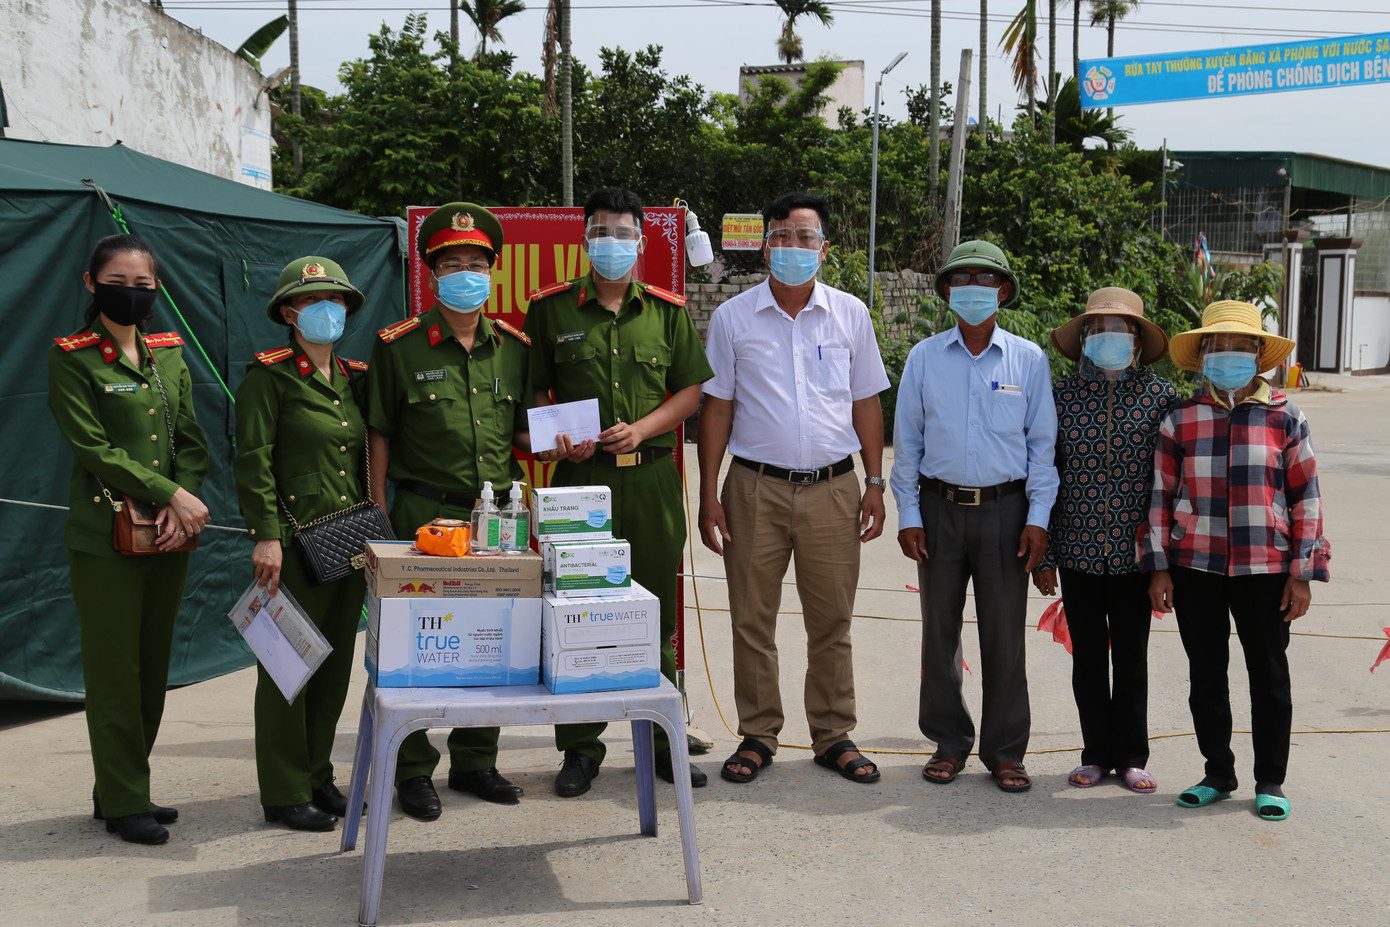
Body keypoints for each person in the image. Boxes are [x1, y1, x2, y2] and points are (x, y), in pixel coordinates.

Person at [525, 187, 714, 795]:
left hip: (653, 478)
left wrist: (643, 427)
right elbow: (533, 395)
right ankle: (580, 749)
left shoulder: (667, 310)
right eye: (601, 231)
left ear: (642, 240)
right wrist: (559, 442)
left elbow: (690, 392)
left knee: (654, 613)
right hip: (581, 481)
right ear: (585, 239)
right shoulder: (551, 311)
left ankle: (661, 740)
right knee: (577, 611)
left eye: (624, 233)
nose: (612, 243)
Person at [698, 191, 889, 786]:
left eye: (804, 238)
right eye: (780, 236)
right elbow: (717, 407)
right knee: (752, 618)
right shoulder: (733, 317)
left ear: (824, 249)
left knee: (831, 620)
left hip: (835, 488)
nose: (791, 247)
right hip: (753, 488)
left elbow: (866, 402)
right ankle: (758, 734)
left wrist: (875, 481)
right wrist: (709, 494)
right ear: (764, 245)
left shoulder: (851, 314)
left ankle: (833, 734)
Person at [366, 202, 533, 821]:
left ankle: (475, 761)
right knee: (419, 645)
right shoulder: (399, 347)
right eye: (452, 264)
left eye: (476, 264)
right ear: (432, 275)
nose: (465, 273)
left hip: (496, 523)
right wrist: (377, 514)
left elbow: (521, 434)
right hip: (420, 516)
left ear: (493, 271)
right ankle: (412, 769)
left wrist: (566, 438)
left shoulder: (514, 348)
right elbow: (378, 432)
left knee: (490, 642)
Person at [47, 234, 210, 844]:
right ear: (92, 283)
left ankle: (121, 784)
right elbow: (92, 448)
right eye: (119, 280)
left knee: (152, 667)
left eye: (144, 285)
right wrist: (168, 493)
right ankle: (124, 800)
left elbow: (190, 438)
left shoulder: (168, 352)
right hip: (105, 537)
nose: (133, 293)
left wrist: (182, 501)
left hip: (169, 535)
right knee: (115, 670)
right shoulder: (73, 357)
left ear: (157, 291)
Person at [1142, 300, 1330, 821]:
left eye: (1240, 347)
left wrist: (1303, 574)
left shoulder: (1285, 417)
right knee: (1206, 673)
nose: (1228, 356)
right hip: (1195, 565)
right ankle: (1217, 772)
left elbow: (1306, 497)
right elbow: (1161, 494)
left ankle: (1269, 779)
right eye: (1217, 347)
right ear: (1202, 356)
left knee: (1268, 674)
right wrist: (1159, 565)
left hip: (1265, 568)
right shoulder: (1181, 418)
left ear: (1259, 356)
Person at [890, 240, 1057, 793]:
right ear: (946, 293)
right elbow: (907, 444)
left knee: (1005, 636)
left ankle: (1006, 751)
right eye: (960, 281)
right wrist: (909, 513)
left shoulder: (1028, 359)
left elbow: (1042, 449)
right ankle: (948, 741)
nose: (973, 291)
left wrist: (1038, 519)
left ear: (1003, 291)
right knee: (939, 632)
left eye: (985, 281)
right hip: (938, 511)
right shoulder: (924, 357)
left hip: (1006, 514)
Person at [233, 256, 372, 832]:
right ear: (290, 312)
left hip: (348, 541)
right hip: (292, 545)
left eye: (336, 300)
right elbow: (252, 462)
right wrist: (266, 536)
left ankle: (318, 775)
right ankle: (284, 791)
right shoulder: (268, 378)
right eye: (313, 301)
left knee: (334, 663)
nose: (327, 310)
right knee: (287, 665)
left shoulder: (355, 377)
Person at [1032, 287, 1177, 794]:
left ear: (1137, 341)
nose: (1109, 338)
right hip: (1076, 553)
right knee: (1088, 660)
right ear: (1085, 338)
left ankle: (1132, 756)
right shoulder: (1061, 398)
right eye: (1098, 330)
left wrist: (1164, 563)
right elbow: (1045, 475)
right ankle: (1095, 752)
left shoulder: (1162, 400)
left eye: (1120, 331)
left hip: (1137, 557)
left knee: (1132, 659)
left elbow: (1171, 486)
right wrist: (1044, 554)